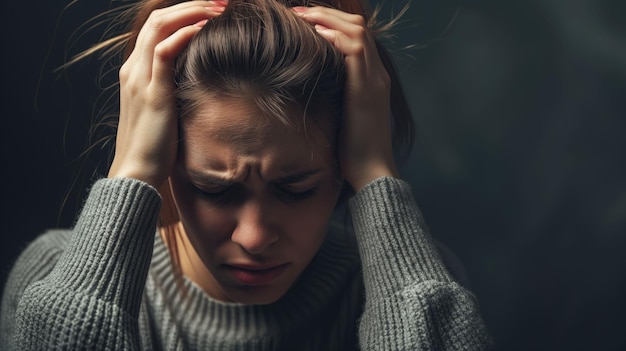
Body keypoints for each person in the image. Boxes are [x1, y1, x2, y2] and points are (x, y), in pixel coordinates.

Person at [0, 0, 493, 349]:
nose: (254, 238)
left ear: (344, 167)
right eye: (213, 188)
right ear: (164, 162)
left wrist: (377, 173)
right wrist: (129, 173)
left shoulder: (413, 289)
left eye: (296, 189)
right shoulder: (55, 276)